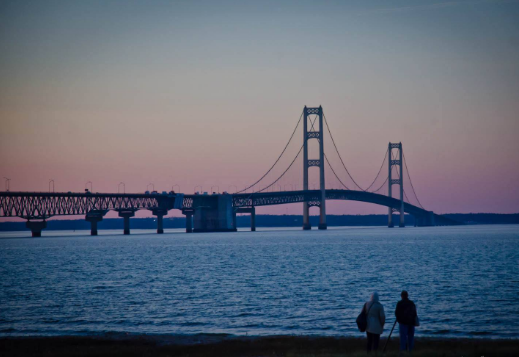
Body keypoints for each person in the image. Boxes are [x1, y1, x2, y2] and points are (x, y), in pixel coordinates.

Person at [395, 290, 418, 354]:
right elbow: (415, 313)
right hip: (411, 322)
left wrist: (399, 320)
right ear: (407, 296)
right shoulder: (411, 303)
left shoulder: (400, 303)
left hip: (403, 323)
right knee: (411, 337)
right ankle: (410, 350)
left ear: (401, 296)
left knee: (403, 337)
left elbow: (396, 313)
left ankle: (403, 351)